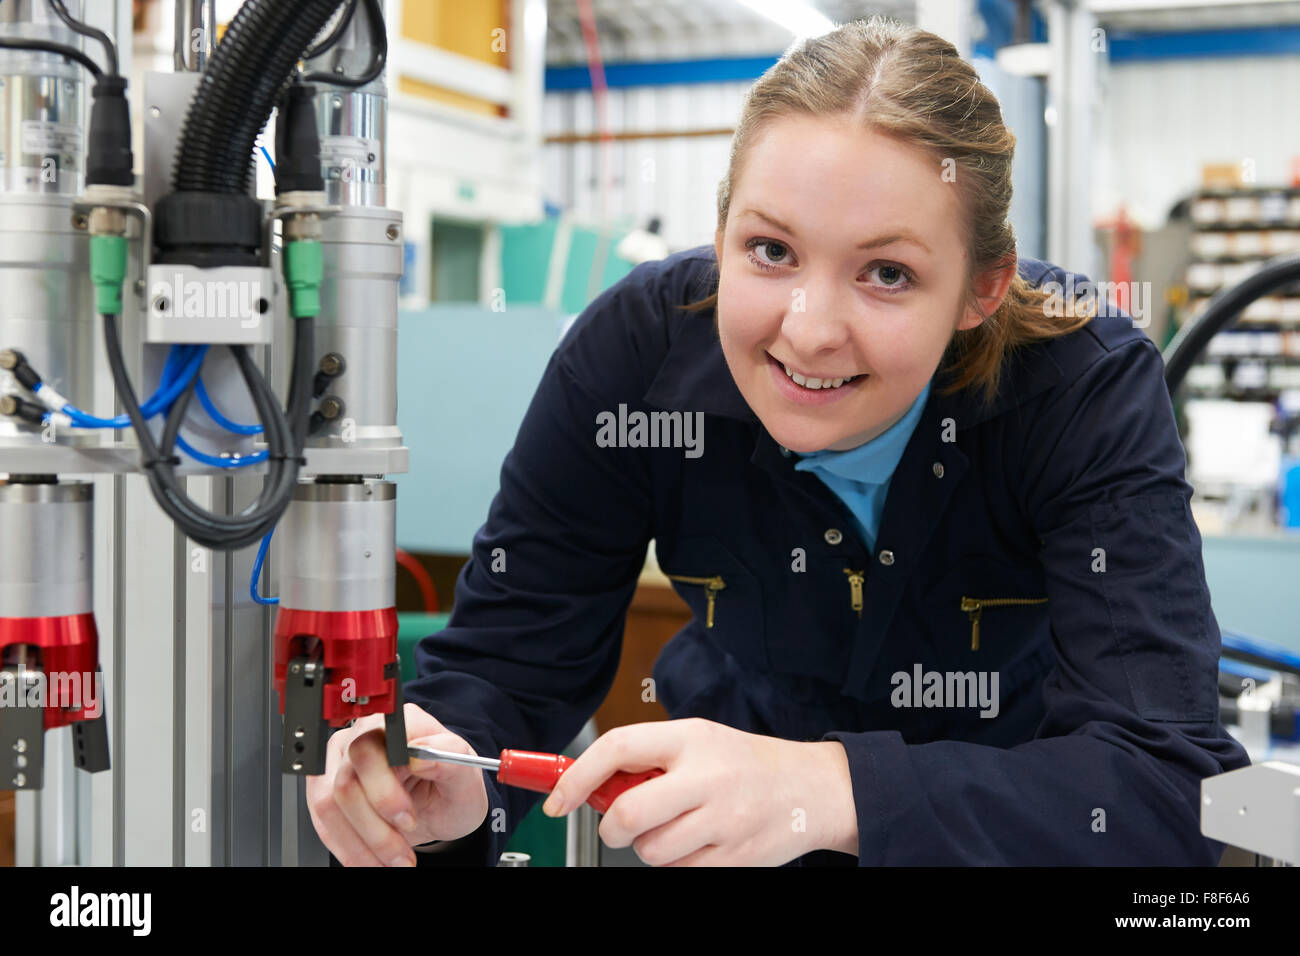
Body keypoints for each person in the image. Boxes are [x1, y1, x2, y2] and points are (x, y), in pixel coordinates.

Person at [306, 15, 1250, 867]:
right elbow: (507, 667)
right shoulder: (633, 357)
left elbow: (1169, 791)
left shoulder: (1080, 386)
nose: (808, 330)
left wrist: (831, 790)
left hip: (1006, 831)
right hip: (723, 830)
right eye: (771, 252)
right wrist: (449, 766)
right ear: (718, 235)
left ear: (982, 289)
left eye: (886, 272)